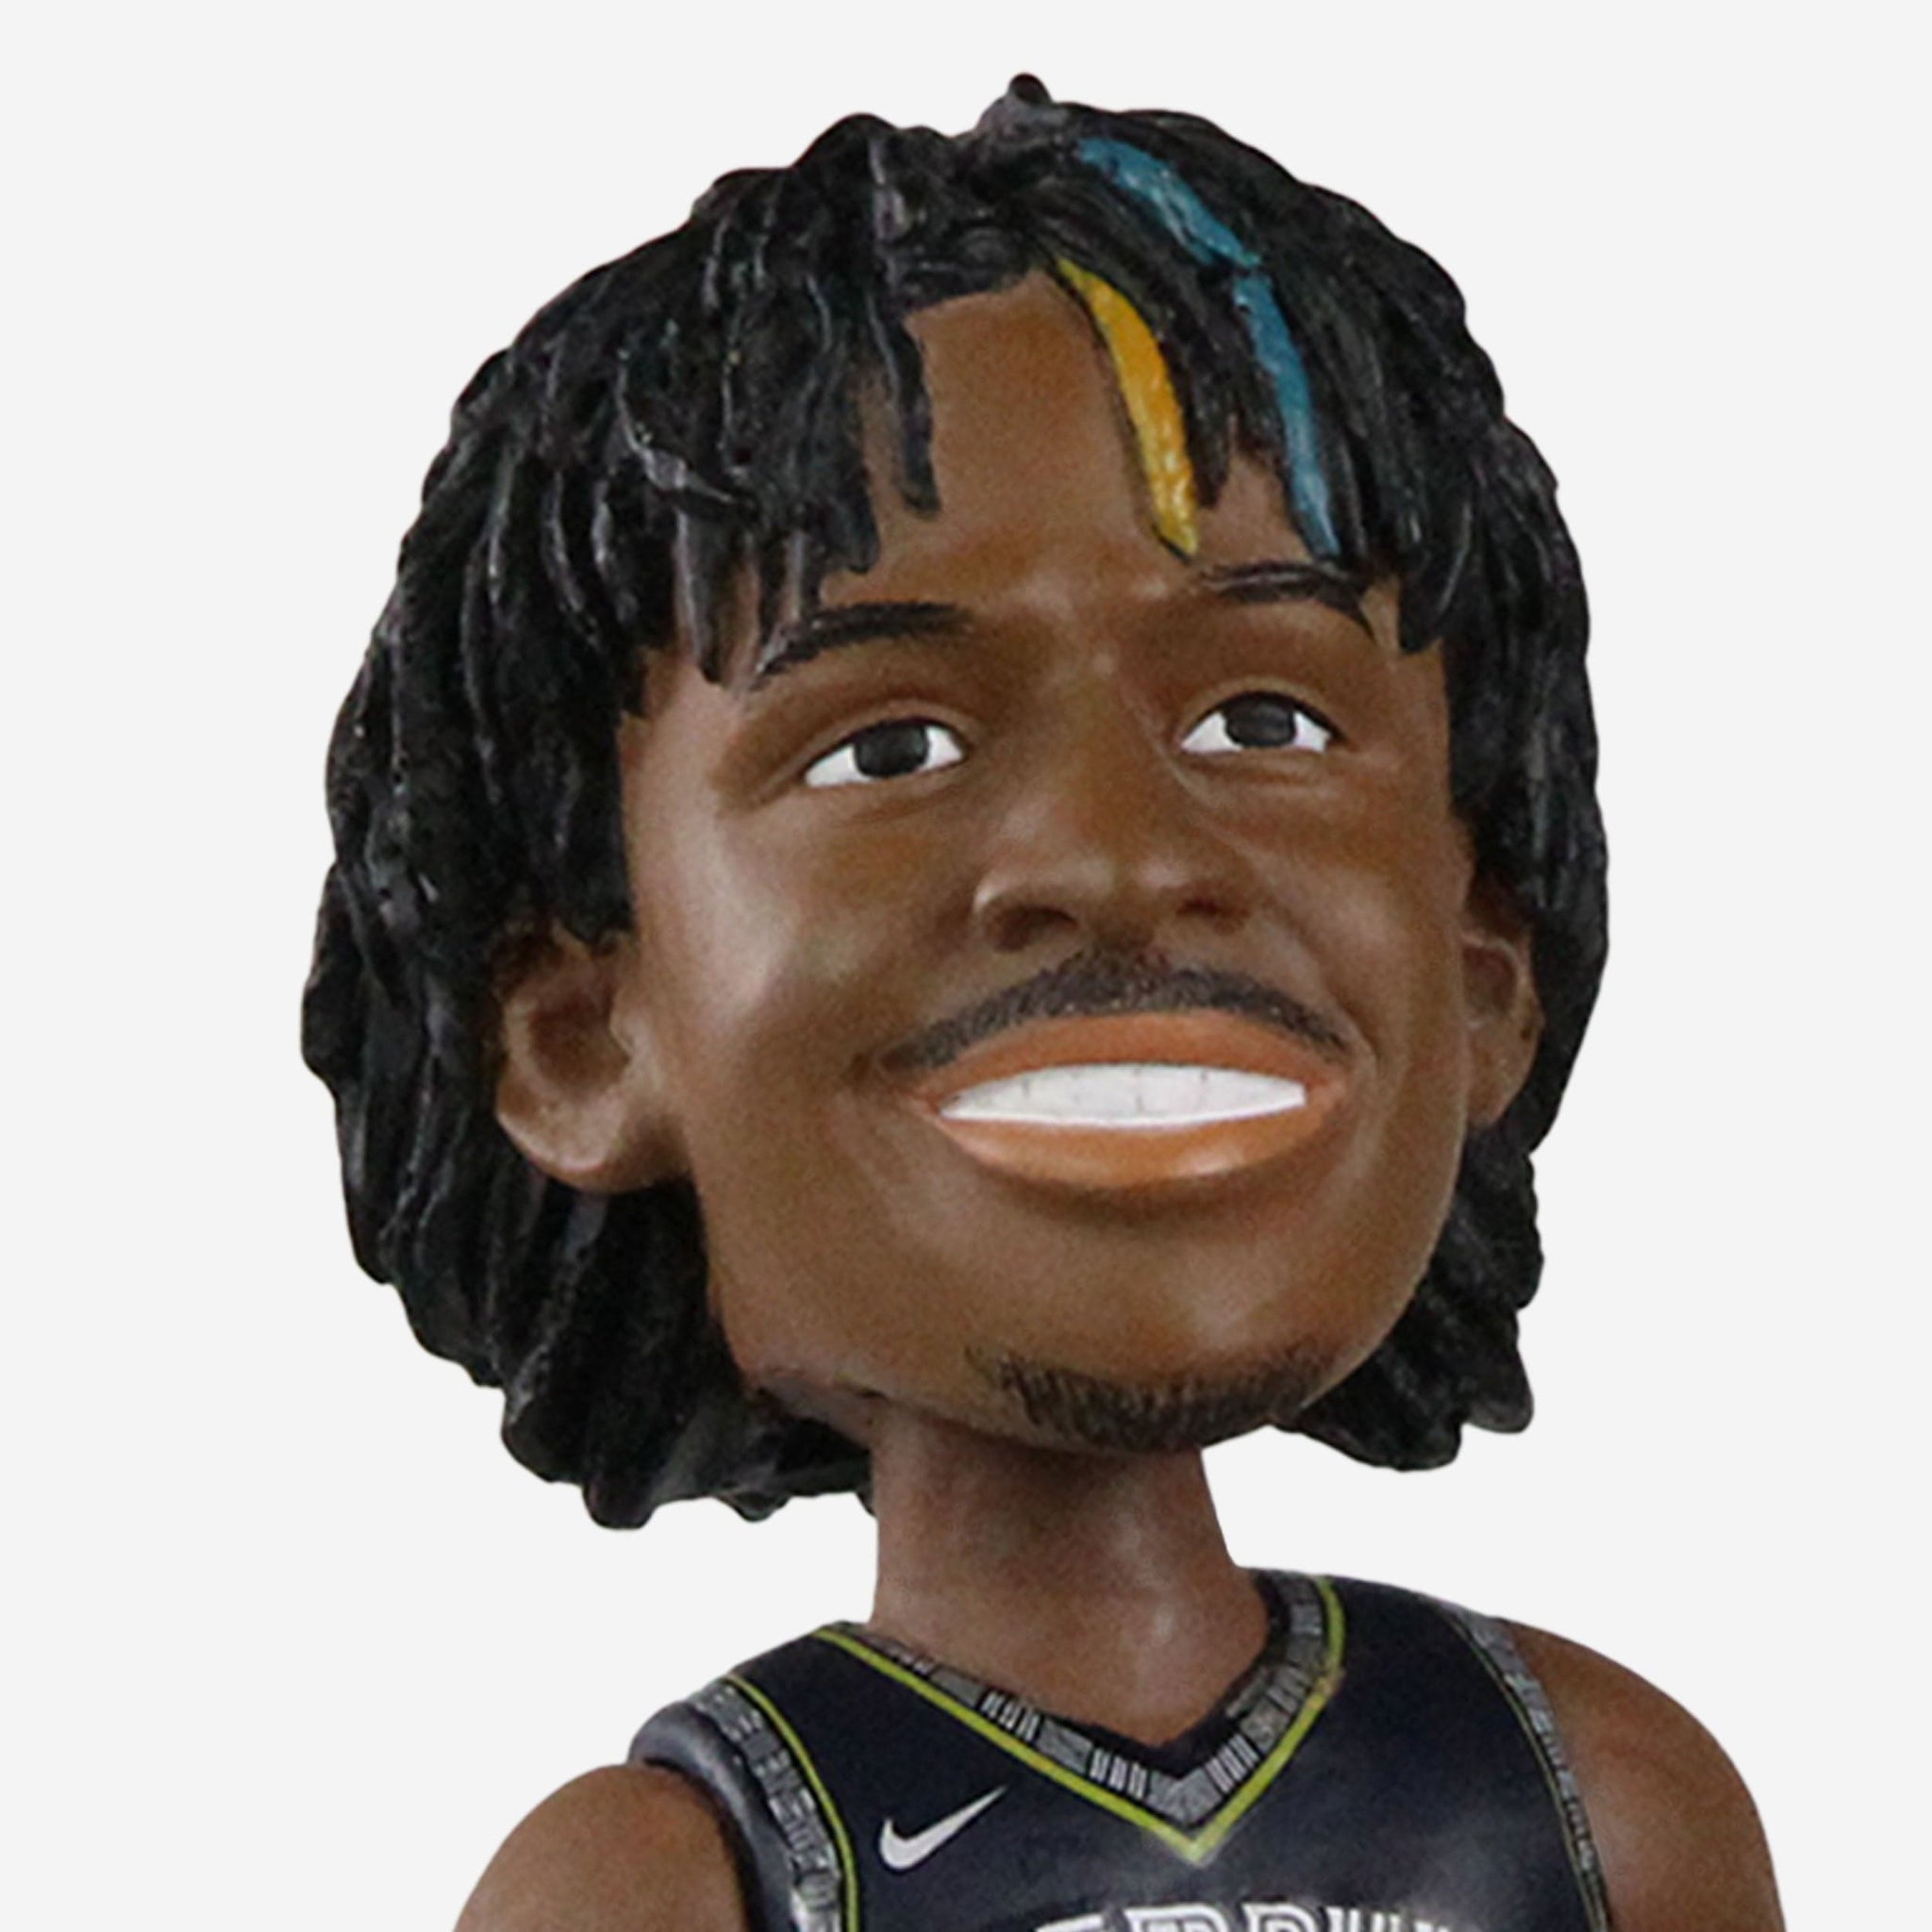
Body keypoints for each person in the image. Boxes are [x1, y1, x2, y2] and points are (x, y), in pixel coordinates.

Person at [304, 79, 1781, 1932]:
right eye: (888, 747)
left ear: (1486, 966)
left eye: (1265, 718)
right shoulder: (687, 1883)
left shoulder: (1591, 1809)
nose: (1115, 855)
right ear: (583, 1037)